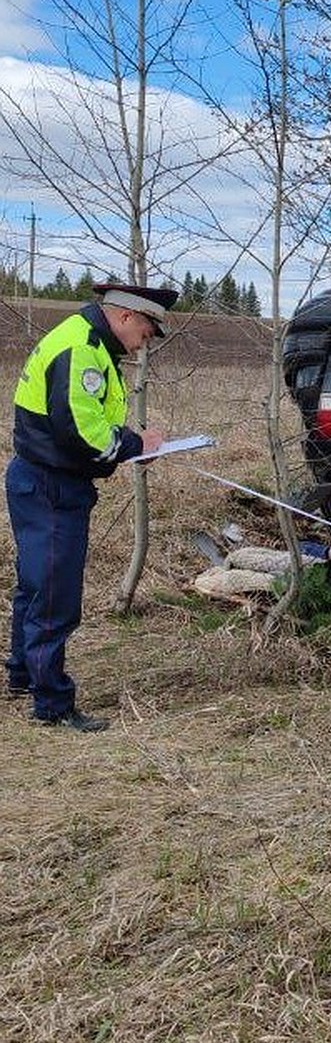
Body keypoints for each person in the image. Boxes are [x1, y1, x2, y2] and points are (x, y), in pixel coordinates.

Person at [6, 282, 178, 732]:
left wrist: (125, 443)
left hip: (40, 479)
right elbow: (81, 434)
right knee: (54, 596)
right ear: (124, 317)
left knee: (35, 586)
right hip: (51, 485)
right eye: (145, 330)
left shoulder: (86, 340)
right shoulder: (82, 348)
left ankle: (23, 676)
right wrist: (137, 444)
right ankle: (52, 704)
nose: (145, 342)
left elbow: (89, 420)